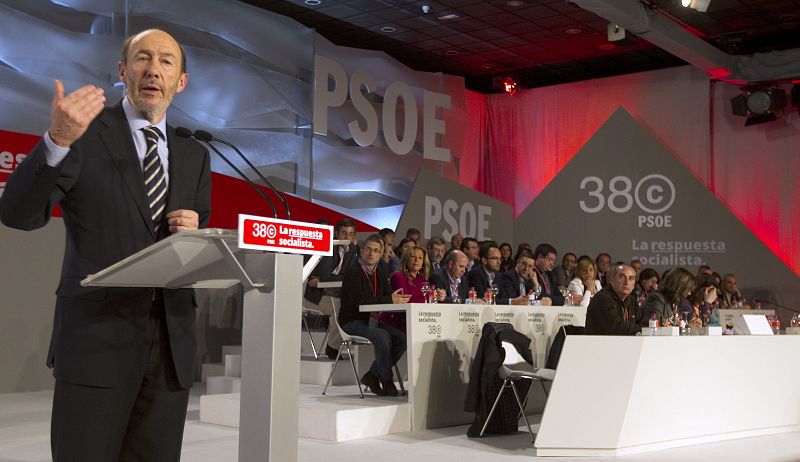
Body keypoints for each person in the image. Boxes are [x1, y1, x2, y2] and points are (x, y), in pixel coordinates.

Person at [0, 29, 210, 461]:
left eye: (167, 61)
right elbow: (17, 214)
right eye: (142, 58)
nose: (154, 69)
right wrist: (56, 141)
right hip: (97, 341)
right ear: (122, 71)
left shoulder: (194, 153)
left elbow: (196, 241)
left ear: (181, 81)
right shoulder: (85, 135)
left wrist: (194, 233)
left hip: (171, 345)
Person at [339, 234, 410, 396]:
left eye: (376, 250)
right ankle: (386, 379)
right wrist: (389, 299)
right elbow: (360, 301)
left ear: (380, 254)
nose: (371, 253)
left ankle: (372, 375)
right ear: (361, 251)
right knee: (383, 336)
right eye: (368, 249)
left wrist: (398, 298)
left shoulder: (381, 271)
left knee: (402, 339)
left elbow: (387, 294)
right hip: (352, 321)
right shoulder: (353, 272)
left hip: (372, 321)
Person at [304, 218, 360, 359]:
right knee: (340, 308)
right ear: (336, 234)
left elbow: (350, 276)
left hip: (338, 293)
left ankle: (335, 344)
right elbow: (324, 273)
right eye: (344, 233)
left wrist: (329, 278)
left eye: (350, 234)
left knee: (351, 307)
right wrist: (333, 277)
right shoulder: (327, 247)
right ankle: (332, 348)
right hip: (315, 296)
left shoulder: (353, 250)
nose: (347, 237)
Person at [585, 264, 641, 335]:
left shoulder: (631, 300)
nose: (627, 282)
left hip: (621, 344)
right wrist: (642, 329)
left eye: (631, 278)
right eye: (621, 277)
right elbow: (617, 328)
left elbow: (644, 320)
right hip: (599, 344)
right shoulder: (603, 298)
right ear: (612, 280)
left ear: (634, 284)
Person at [386, 245, 432, 330]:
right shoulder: (398, 276)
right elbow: (406, 299)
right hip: (398, 322)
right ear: (406, 260)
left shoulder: (422, 280)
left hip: (418, 320)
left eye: (420, 258)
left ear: (423, 263)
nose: (416, 260)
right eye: (413, 256)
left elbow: (428, 301)